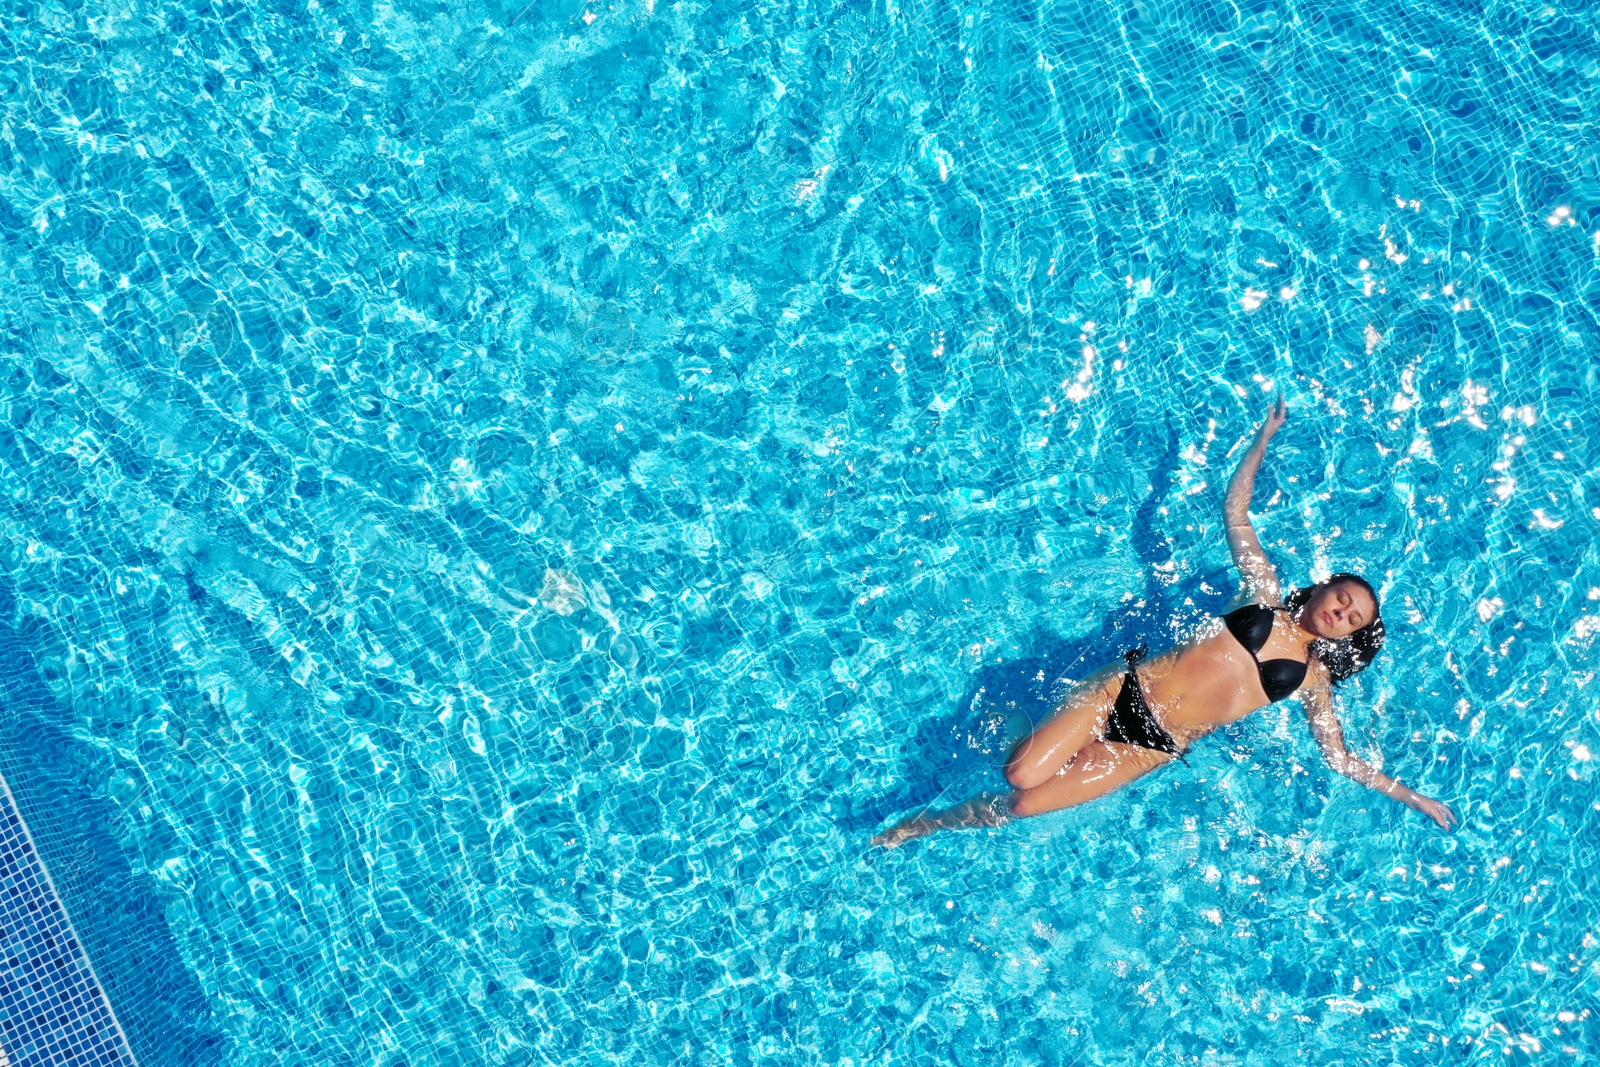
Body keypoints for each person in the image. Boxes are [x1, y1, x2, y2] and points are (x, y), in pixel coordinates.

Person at [872, 399, 1456, 847]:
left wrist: (1412, 796)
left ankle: (927, 824)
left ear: (1346, 636)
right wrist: (1262, 440)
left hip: (1152, 744)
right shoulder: (1265, 593)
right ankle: (1020, 721)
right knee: (1021, 773)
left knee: (1022, 807)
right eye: (1344, 597)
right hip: (1121, 690)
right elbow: (1237, 511)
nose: (1342, 611)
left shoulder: (1311, 681)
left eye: (1352, 619)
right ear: (1325, 586)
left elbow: (1339, 757)